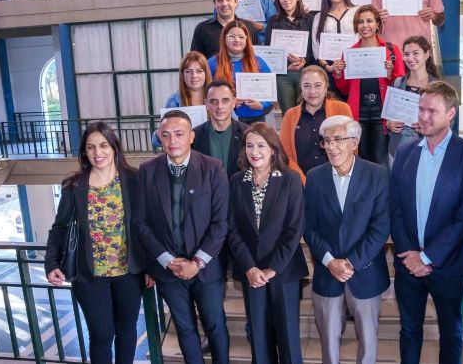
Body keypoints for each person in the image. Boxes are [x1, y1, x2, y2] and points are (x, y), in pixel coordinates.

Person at [390, 81, 463, 364]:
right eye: (421, 109)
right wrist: (410, 254)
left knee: (451, 333)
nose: (424, 116)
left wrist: (428, 257)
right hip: (407, 262)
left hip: (448, 264)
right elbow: (394, 209)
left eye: (432, 110)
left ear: (451, 113)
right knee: (409, 330)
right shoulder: (406, 153)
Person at [45, 122, 152, 364]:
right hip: (89, 275)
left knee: (126, 332)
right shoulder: (74, 185)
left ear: (114, 147)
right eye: (91, 147)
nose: (97, 152)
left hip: (130, 272)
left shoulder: (135, 180)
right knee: (101, 335)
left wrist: (152, 267)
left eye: (103, 145)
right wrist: (51, 263)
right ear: (84, 152)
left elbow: (147, 226)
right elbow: (59, 228)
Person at [134, 110, 230, 364]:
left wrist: (196, 262)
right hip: (169, 270)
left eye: (178, 134)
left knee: (215, 324)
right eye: (165, 135)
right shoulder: (147, 171)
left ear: (191, 137)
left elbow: (221, 223)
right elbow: (141, 223)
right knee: (185, 328)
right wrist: (167, 261)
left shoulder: (213, 168)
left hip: (206, 269)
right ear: (159, 139)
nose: (172, 140)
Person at [304, 115, 390, 364]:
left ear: (355, 142)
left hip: (365, 271)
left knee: (368, 342)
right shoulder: (315, 176)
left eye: (338, 139)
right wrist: (330, 261)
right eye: (326, 141)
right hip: (326, 272)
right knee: (329, 344)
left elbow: (380, 228)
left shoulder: (377, 175)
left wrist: (351, 262)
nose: (331, 146)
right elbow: (309, 228)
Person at [227, 122, 308, 363]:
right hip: (251, 272)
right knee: (260, 340)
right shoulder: (236, 181)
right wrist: (250, 268)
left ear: (273, 148)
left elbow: (294, 229)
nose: (255, 151)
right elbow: (232, 229)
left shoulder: (291, 179)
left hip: (283, 271)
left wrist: (272, 268)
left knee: (288, 339)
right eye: (249, 145)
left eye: (261, 145)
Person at [332, 5, 405, 165]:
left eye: (369, 21)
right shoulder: (349, 53)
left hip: (382, 115)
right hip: (358, 114)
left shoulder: (392, 51)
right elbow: (344, 89)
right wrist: (338, 74)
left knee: (381, 162)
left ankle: (382, 191)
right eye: (360, 22)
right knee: (360, 162)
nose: (365, 25)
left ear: (378, 24)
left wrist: (389, 74)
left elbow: (401, 86)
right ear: (356, 26)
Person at [280, 66, 353, 184]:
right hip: (301, 184)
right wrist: (304, 182)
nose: (312, 91)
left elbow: (350, 148)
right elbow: (286, 155)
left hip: (337, 181)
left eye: (318, 85)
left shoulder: (342, 109)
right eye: (307, 86)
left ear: (326, 87)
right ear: (301, 88)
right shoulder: (290, 115)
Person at [386, 36, 439, 168]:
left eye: (416, 53)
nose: (410, 58)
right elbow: (388, 116)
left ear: (427, 54)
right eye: (406, 54)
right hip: (397, 147)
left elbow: (446, 121)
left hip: (427, 148)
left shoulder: (437, 87)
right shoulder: (397, 83)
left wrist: (428, 127)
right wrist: (389, 124)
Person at [264, 0, 316, 113]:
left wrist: (303, 60)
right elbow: (270, 52)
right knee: (288, 114)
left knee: (307, 111)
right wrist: (286, 66)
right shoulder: (273, 21)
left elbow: (314, 47)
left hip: (305, 71)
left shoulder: (310, 19)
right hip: (284, 74)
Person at [208, 21, 273, 124]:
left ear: (247, 40)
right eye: (232, 36)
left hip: (256, 119)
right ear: (224, 38)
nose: (237, 40)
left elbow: (271, 93)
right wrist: (229, 100)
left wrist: (261, 105)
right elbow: (206, 92)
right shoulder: (212, 63)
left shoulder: (258, 62)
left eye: (241, 37)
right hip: (225, 120)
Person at [312, 0, 358, 99]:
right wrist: (329, 67)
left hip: (354, 68)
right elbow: (316, 48)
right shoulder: (319, 17)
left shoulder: (356, 12)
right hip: (330, 72)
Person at [152, 51, 212, 148]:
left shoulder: (217, 98)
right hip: (184, 155)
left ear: (206, 73)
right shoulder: (173, 102)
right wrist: (158, 135)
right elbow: (157, 141)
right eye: (188, 71)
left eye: (199, 71)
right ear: (182, 75)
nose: (194, 76)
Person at [192, 80, 247, 178]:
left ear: (233, 102)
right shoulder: (193, 136)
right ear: (206, 104)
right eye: (214, 101)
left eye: (225, 100)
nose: (219, 106)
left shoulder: (247, 134)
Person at [191, 0, 260, 59]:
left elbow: (257, 57)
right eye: (220, 0)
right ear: (214, 4)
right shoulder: (202, 29)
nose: (224, 4)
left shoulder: (249, 27)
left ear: (236, 2)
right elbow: (196, 61)